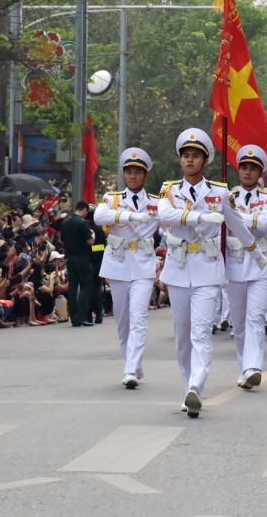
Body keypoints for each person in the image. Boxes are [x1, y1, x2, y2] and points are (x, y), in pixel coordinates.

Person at [156, 128, 260, 418]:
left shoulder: (219, 192)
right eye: (186, 156)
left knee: (201, 332)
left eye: (195, 156)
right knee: (182, 336)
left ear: (205, 161)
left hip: (207, 269)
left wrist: (255, 251)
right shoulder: (169, 190)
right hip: (178, 269)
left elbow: (237, 223)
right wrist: (199, 216)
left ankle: (195, 387)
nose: (189, 161)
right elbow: (165, 215)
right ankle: (189, 385)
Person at [95, 147, 159, 389]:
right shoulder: (112, 199)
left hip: (142, 264)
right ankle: (132, 362)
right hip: (119, 264)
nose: (132, 176)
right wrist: (129, 217)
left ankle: (130, 369)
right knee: (122, 321)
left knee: (139, 317)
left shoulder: (155, 202)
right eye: (129, 172)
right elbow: (99, 217)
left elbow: (169, 223)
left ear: (145, 175)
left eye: (137, 172)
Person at [226, 145, 267, 390]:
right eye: (244, 167)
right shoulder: (227, 196)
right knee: (239, 321)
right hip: (235, 264)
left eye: (253, 168)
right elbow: (252, 223)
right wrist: (248, 221)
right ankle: (243, 366)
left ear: (260, 172)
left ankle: (253, 367)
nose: (247, 172)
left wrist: (234, 218)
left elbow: (266, 225)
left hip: (261, 263)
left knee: (256, 317)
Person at [60, 202, 96, 327]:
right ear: (84, 210)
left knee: (73, 288)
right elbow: (90, 242)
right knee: (85, 287)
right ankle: (80, 316)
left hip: (70, 258)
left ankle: (74, 318)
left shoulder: (64, 223)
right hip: (82, 257)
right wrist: (93, 234)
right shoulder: (82, 223)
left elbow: (62, 240)